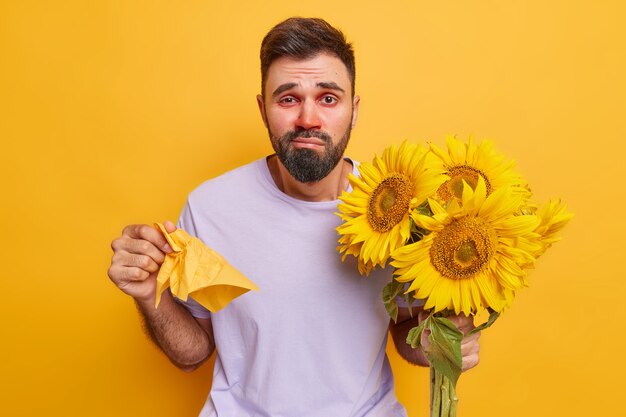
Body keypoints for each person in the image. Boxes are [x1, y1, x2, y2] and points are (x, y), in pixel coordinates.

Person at [108, 17, 480, 417]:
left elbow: (407, 332)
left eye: (328, 98)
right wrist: (151, 295)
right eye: (288, 99)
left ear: (354, 110)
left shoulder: (401, 209)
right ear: (262, 109)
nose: (308, 119)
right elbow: (192, 352)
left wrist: (443, 337)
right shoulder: (210, 207)